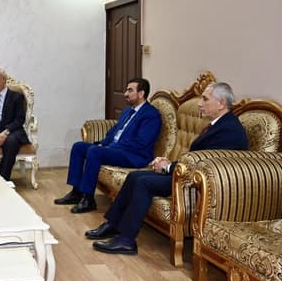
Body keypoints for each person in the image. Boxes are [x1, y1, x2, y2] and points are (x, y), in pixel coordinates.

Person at [87, 82, 248, 255]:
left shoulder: (229, 131)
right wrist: (169, 162)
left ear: (221, 103)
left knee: (143, 183)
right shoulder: (220, 124)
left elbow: (206, 165)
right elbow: (198, 158)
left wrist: (169, 167)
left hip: (197, 184)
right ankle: (113, 224)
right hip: (188, 173)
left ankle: (126, 240)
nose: (200, 103)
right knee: (134, 177)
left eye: (205, 99)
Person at [54, 78, 162, 213]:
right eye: (126, 90)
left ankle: (88, 199)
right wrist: (102, 143)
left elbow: (141, 142)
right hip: (116, 149)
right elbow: (114, 132)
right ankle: (76, 192)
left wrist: (110, 148)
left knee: (95, 152)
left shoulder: (151, 115)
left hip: (133, 155)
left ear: (141, 93)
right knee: (79, 147)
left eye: (130, 90)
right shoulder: (127, 111)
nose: (125, 94)